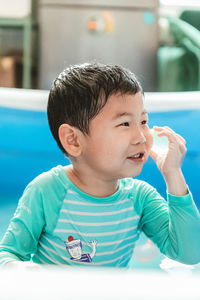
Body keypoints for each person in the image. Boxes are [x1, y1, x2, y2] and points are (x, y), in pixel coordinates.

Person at [0, 62, 200, 269]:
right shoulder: (46, 192)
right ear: (73, 140)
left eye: (143, 121)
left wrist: (173, 173)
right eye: (124, 124)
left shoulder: (139, 198)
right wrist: (21, 270)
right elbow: (8, 254)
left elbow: (190, 253)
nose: (141, 137)